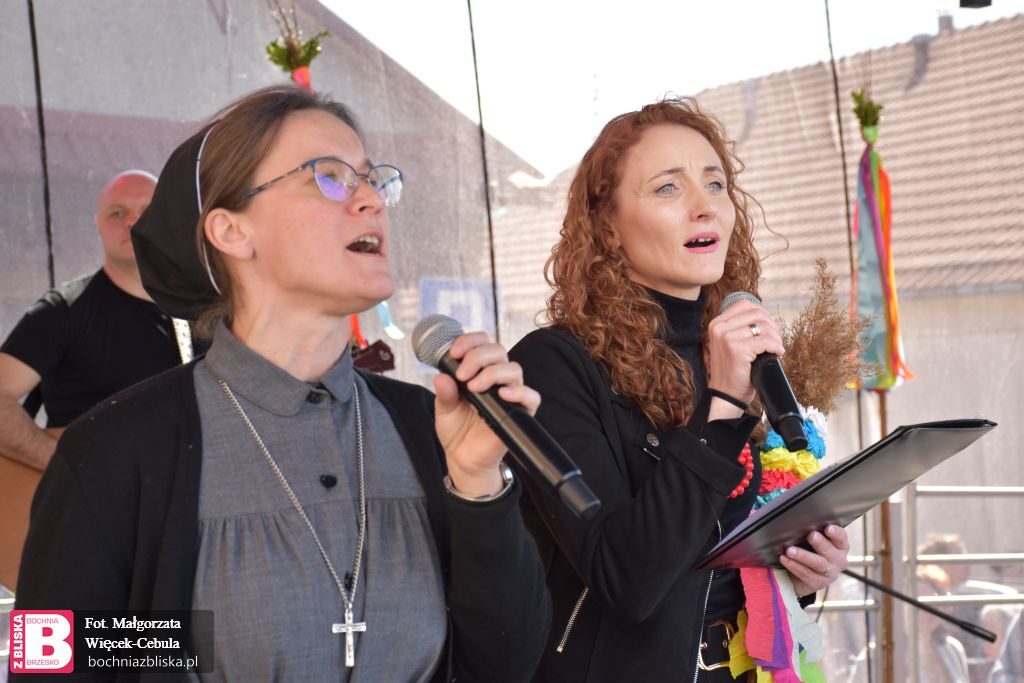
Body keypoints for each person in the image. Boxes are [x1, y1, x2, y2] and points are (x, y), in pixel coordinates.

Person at [14, 85, 549, 681]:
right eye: (330, 176)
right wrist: (193, 640)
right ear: (231, 232)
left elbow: (507, 661)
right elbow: (54, 657)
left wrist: (478, 486)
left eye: (374, 180)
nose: (371, 199)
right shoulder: (115, 449)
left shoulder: (427, 426)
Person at [508, 98, 851, 682]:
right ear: (607, 226)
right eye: (668, 187)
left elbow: (718, 552)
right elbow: (626, 578)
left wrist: (800, 567)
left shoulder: (732, 355)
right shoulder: (552, 366)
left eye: (716, 184)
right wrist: (723, 406)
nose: (704, 205)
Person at [0, 170, 185, 471]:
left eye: (147, 210)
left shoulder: (202, 312)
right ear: (98, 225)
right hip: (98, 497)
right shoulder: (62, 311)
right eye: (117, 213)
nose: (132, 222)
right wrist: (68, 472)